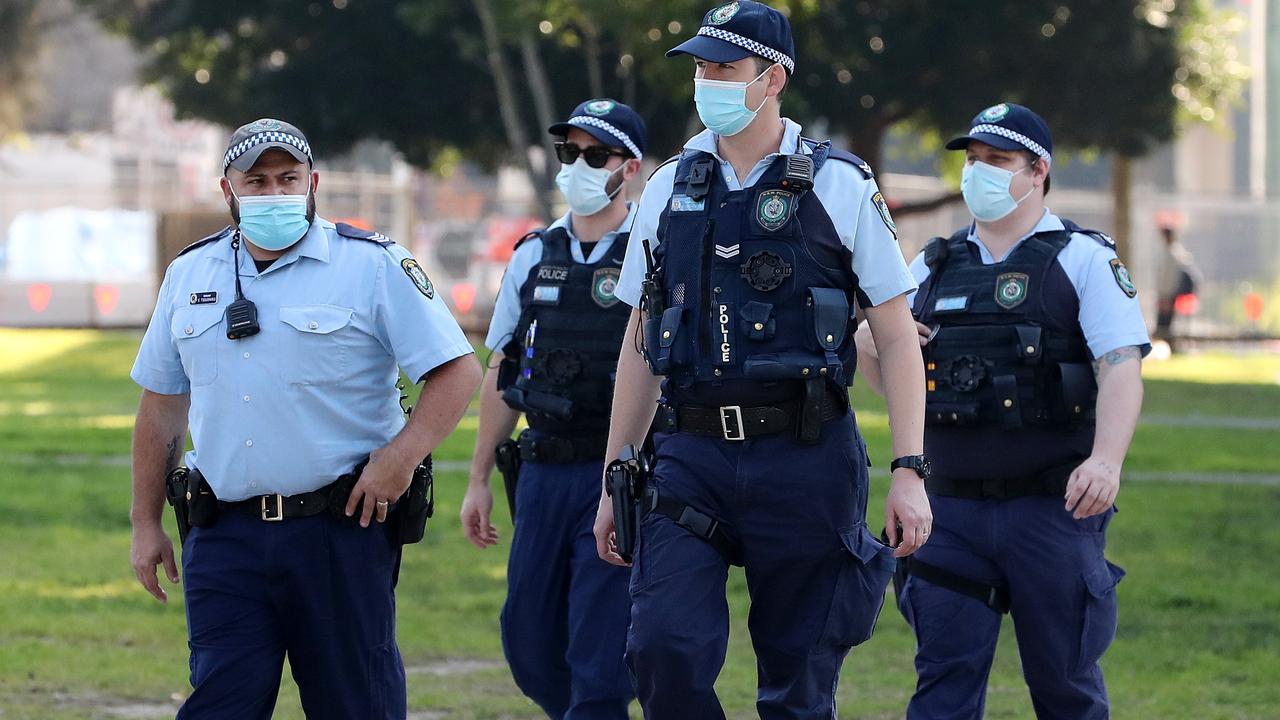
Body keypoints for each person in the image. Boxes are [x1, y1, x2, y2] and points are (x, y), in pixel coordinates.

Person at [591, 3, 933, 718]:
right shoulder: (668, 187)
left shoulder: (839, 184)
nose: (706, 80)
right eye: (700, 67)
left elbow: (897, 336)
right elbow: (640, 340)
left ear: (771, 78)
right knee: (663, 649)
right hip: (691, 453)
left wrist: (910, 470)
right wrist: (614, 471)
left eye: (725, 67)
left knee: (798, 680)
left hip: (806, 455)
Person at [128, 118, 481, 719]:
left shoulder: (372, 265)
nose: (273, 194)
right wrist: (144, 522)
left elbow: (457, 371)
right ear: (228, 190)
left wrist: (401, 457)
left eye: (288, 178)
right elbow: (162, 404)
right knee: (221, 704)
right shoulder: (190, 274)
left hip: (339, 532)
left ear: (313, 181)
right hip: (223, 536)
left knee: (355, 705)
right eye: (257, 181)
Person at [855, 103, 1148, 719]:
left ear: (1037, 170)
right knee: (942, 690)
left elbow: (1121, 364)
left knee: (1066, 689)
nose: (979, 172)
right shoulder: (931, 265)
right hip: (949, 510)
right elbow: (890, 379)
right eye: (972, 160)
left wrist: (1106, 460)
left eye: (998, 160)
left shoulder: (1083, 259)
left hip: (1053, 509)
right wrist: (870, 343)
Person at [461, 99, 645, 720]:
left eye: (598, 156)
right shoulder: (533, 255)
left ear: (632, 169)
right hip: (541, 473)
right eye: (571, 153)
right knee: (529, 643)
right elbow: (500, 370)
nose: (580, 167)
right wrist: (479, 478)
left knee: (600, 656)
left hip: (615, 477)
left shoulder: (653, 253)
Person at [1154, 224, 1201, 352]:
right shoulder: (1174, 252)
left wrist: (1166, 296)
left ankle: (1169, 349)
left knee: (1164, 326)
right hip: (1167, 294)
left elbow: (1170, 279)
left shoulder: (1173, 254)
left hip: (1168, 295)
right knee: (1165, 325)